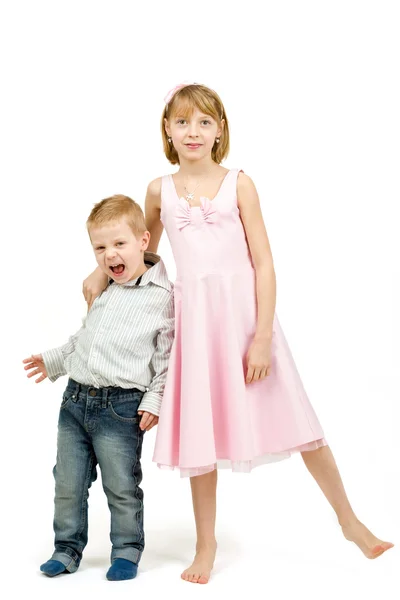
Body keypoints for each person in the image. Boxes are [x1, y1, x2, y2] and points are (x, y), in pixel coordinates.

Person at [82, 84, 393, 584]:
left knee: (302, 425)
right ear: (167, 129)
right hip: (196, 327)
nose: (193, 132)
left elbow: (265, 262)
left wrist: (263, 335)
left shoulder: (239, 184)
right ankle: (207, 545)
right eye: (183, 122)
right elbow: (144, 249)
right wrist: (101, 271)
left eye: (204, 122)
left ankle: (349, 521)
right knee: (201, 437)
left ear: (220, 129)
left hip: (246, 321)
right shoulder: (159, 190)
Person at [23, 195, 174, 581]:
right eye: (100, 247)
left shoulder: (164, 298)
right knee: (68, 483)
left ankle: (126, 550)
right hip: (75, 401)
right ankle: (67, 548)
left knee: (121, 485)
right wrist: (54, 360)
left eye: (119, 243)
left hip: (121, 408)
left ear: (144, 240)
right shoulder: (105, 288)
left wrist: (154, 401)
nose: (110, 255)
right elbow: (84, 338)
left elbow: (165, 359)